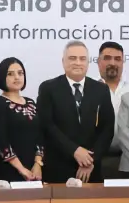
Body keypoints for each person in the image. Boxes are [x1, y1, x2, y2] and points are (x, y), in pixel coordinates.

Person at [37, 41, 116, 183]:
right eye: (72, 58)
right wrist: (74, 150)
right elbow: (47, 125)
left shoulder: (101, 89)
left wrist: (90, 160)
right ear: (63, 61)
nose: (78, 63)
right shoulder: (48, 88)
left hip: (91, 170)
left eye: (82, 58)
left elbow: (107, 128)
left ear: (88, 62)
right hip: (58, 168)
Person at [0, 57, 44, 184]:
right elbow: (0, 141)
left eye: (20, 73)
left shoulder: (31, 102)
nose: (17, 77)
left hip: (34, 170)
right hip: (8, 169)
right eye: (10, 74)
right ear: (2, 77)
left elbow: (40, 136)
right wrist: (21, 169)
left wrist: (38, 164)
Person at [96, 41, 129, 176]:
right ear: (98, 61)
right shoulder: (89, 88)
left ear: (123, 63)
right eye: (107, 58)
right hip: (95, 159)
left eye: (117, 59)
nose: (112, 63)